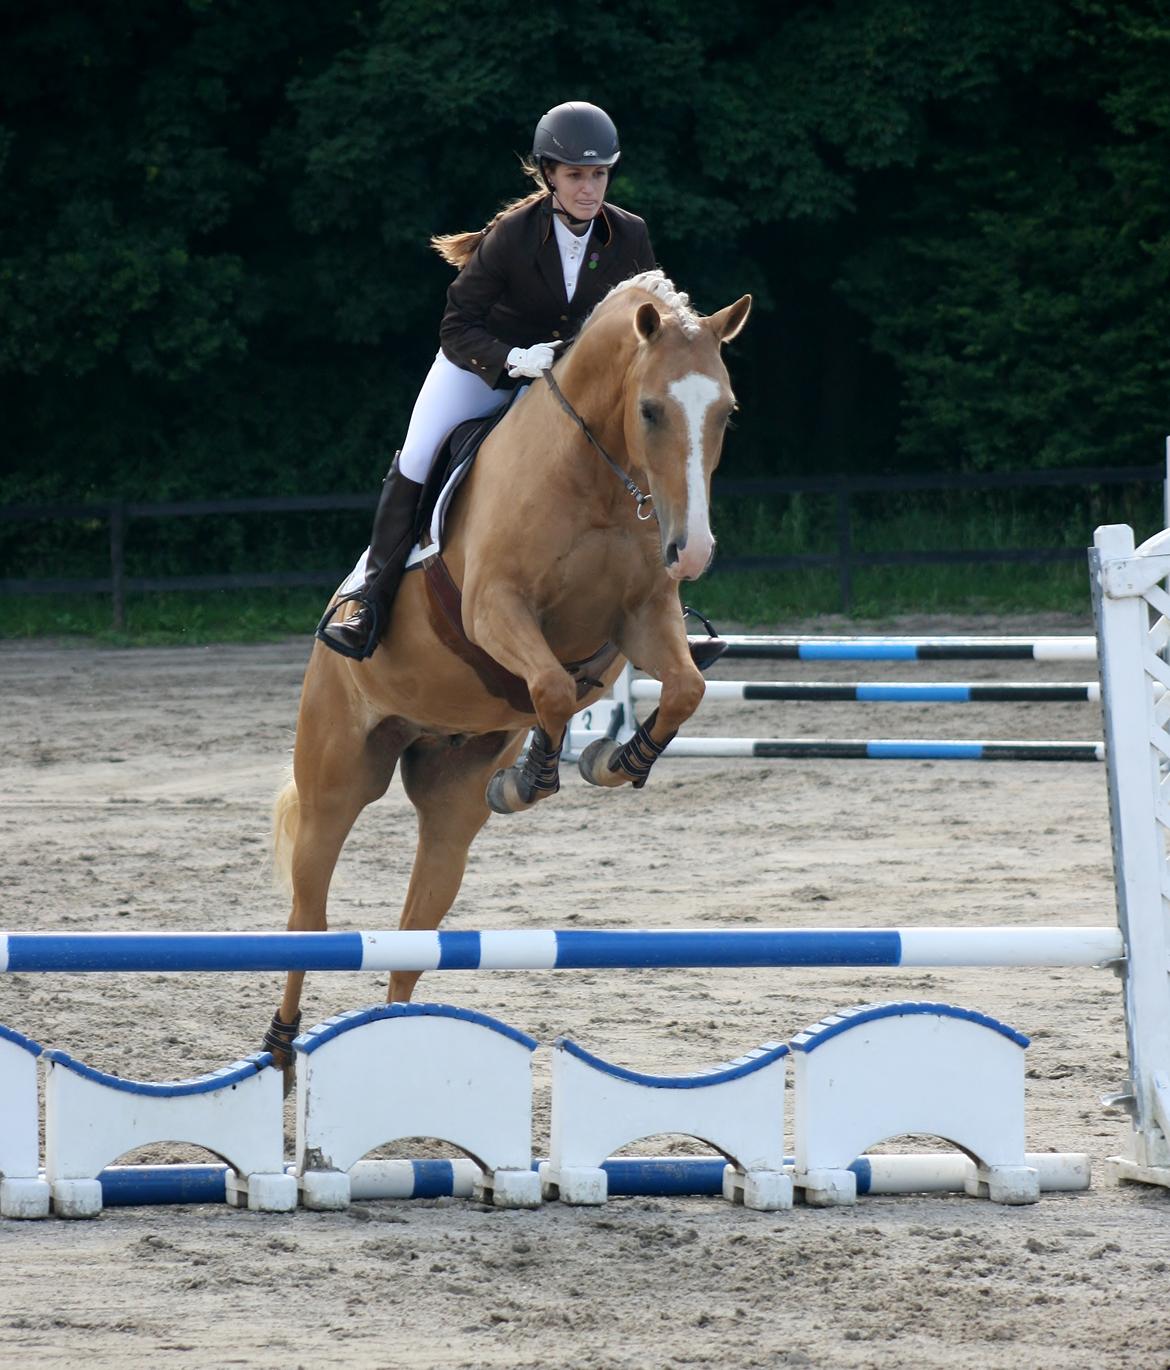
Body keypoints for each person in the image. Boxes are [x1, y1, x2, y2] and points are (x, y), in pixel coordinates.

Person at [317, 100, 656, 659]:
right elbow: (457, 325)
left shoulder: (629, 236)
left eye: (599, 175)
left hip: (567, 388)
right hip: (482, 368)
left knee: (642, 452)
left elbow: (648, 317)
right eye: (576, 175)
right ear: (549, 175)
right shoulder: (513, 235)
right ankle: (370, 598)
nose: (589, 189)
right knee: (419, 458)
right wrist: (513, 360)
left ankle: (656, 599)